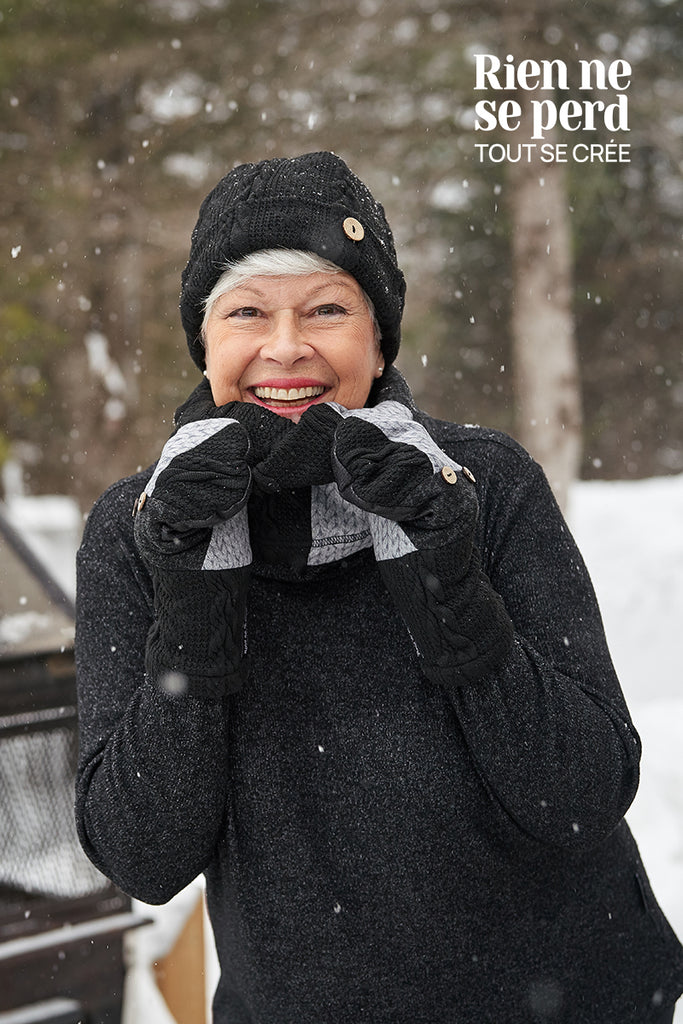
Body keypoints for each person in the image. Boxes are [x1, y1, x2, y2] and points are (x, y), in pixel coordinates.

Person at [75, 151, 683, 1024]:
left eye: (326, 308)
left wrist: (443, 575)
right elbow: (144, 853)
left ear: (378, 334)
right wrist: (196, 597)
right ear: (204, 340)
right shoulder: (142, 528)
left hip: (573, 999)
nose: (285, 346)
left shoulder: (482, 483)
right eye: (247, 311)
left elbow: (580, 793)